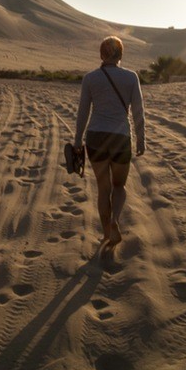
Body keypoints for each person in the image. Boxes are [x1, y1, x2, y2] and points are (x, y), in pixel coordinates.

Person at [74, 36, 146, 246]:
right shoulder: (131, 77)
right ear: (121, 55)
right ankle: (115, 220)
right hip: (120, 138)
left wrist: (78, 139)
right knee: (119, 186)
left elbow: (83, 111)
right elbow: (138, 112)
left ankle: (106, 233)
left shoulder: (90, 78)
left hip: (96, 137)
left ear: (101, 54)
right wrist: (141, 140)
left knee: (103, 188)